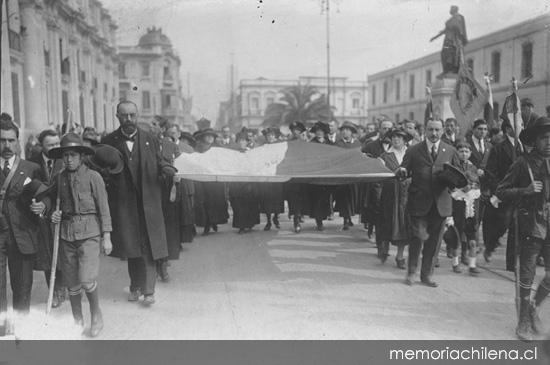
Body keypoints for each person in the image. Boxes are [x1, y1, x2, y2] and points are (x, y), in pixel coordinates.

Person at [102, 101, 174, 306]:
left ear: (137, 115)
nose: (129, 120)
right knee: (132, 247)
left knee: (150, 246)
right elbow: (101, 168)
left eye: (132, 115)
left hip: (149, 202)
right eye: (124, 116)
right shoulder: (108, 141)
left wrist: (168, 170)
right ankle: (135, 285)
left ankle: (149, 290)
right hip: (125, 205)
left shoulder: (150, 138)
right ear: (117, 116)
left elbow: (161, 162)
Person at [48, 133, 112, 337]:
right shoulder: (59, 178)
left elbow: (104, 208)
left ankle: (95, 314)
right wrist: (54, 214)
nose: (68, 159)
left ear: (81, 156)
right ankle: (77, 319)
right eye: (65, 155)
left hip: (90, 234)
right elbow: (51, 202)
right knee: (72, 283)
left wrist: (107, 236)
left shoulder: (94, 177)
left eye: (73, 155)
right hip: (66, 234)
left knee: (86, 279)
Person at [495, 116, 550, 341]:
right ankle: (523, 321)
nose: (549, 142)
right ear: (535, 141)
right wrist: (525, 191)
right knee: (527, 274)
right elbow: (501, 191)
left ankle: (534, 307)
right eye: (544, 138)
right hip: (531, 225)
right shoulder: (523, 163)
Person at [397, 119, 460, 287]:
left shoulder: (451, 150)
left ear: (442, 131)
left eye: (437, 130)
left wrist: (453, 182)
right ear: (425, 130)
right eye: (431, 129)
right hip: (418, 202)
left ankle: (426, 275)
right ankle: (411, 272)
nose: (434, 133)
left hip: (441, 204)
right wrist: (402, 171)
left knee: (434, 242)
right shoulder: (413, 150)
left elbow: (459, 175)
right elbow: (404, 169)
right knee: (417, 238)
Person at [0, 120, 45, 321]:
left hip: (22, 235)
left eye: (11, 140)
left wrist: (43, 206)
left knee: (22, 288)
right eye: (2, 140)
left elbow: (45, 194)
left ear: (18, 142)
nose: (7, 146)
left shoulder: (31, 168)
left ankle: (21, 334)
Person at [27, 129, 67, 308]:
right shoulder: (32, 163)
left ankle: (63, 286)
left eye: (57, 143)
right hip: (42, 218)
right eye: (50, 145)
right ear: (41, 145)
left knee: (63, 252)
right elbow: (28, 189)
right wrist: (39, 204)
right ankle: (55, 291)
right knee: (46, 254)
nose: (55, 147)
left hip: (62, 213)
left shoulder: (65, 160)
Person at [482, 119, 525, 270]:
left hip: (522, 194)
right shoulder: (498, 148)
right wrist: (499, 190)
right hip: (504, 193)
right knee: (503, 224)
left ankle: (511, 265)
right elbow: (491, 173)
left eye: (522, 124)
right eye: (518, 124)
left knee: (516, 228)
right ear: (508, 129)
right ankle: (490, 246)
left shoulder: (525, 147)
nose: (521, 127)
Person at [446, 141, 482, 275]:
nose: (464, 154)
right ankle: (455, 262)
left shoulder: (473, 167)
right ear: (457, 153)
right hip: (458, 203)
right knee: (457, 234)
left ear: (470, 153)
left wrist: (473, 185)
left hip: (471, 203)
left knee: (472, 237)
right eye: (461, 151)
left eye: (467, 151)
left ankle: (472, 265)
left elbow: (476, 182)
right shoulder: (452, 167)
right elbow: (450, 185)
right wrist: (461, 188)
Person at [378, 129, 413, 268]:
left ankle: (400, 256)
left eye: (400, 137)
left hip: (406, 196)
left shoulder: (410, 154)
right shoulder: (385, 156)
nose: (396, 140)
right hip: (390, 195)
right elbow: (380, 176)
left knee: (404, 225)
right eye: (394, 137)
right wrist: (394, 173)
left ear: (405, 140)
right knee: (387, 223)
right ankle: (384, 249)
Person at [361, 119, 394, 244]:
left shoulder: (396, 145)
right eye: (384, 128)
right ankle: (373, 230)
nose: (386, 131)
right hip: (375, 183)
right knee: (376, 206)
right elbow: (362, 160)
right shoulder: (371, 146)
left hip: (391, 182)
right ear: (379, 130)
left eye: (389, 129)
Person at [193, 126, 229, 235]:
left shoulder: (218, 147)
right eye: (207, 136)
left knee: (216, 201)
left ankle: (214, 222)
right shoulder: (199, 148)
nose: (209, 138)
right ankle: (207, 224)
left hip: (216, 180)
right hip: (204, 179)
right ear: (203, 137)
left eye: (211, 136)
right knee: (205, 202)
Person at [228, 132, 260, 234]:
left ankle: (249, 224)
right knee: (238, 204)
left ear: (247, 142)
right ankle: (241, 225)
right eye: (240, 140)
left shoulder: (251, 152)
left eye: (244, 140)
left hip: (248, 182)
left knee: (249, 203)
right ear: (237, 142)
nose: (242, 142)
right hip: (236, 183)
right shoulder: (233, 153)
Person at [334, 121, 361, 230]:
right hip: (342, 174)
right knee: (344, 198)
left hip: (355, 175)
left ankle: (349, 217)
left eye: (348, 130)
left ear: (352, 132)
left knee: (353, 197)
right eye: (343, 130)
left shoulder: (357, 144)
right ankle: (345, 219)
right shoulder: (338, 144)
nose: (345, 132)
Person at [258, 127, 285, 231]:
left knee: (278, 198)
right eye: (268, 135)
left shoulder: (280, 147)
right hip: (267, 176)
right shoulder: (263, 147)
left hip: (277, 175)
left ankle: (276, 218)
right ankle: (269, 221)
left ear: (276, 136)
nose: (270, 137)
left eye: (272, 135)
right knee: (267, 200)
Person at [308, 121, 333, 231]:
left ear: (324, 132)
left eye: (321, 131)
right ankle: (319, 221)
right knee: (317, 198)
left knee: (326, 198)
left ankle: (325, 215)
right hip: (316, 174)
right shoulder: (311, 144)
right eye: (317, 131)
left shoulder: (330, 144)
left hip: (328, 175)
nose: (319, 133)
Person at [430, 5, 468, 75]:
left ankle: (452, 69)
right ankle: (446, 70)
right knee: (444, 53)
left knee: (451, 53)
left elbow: (460, 29)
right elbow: (444, 30)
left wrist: (459, 39)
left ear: (455, 10)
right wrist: (434, 37)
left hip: (454, 40)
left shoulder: (458, 17)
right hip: (447, 39)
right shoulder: (450, 20)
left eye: (451, 9)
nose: (450, 10)